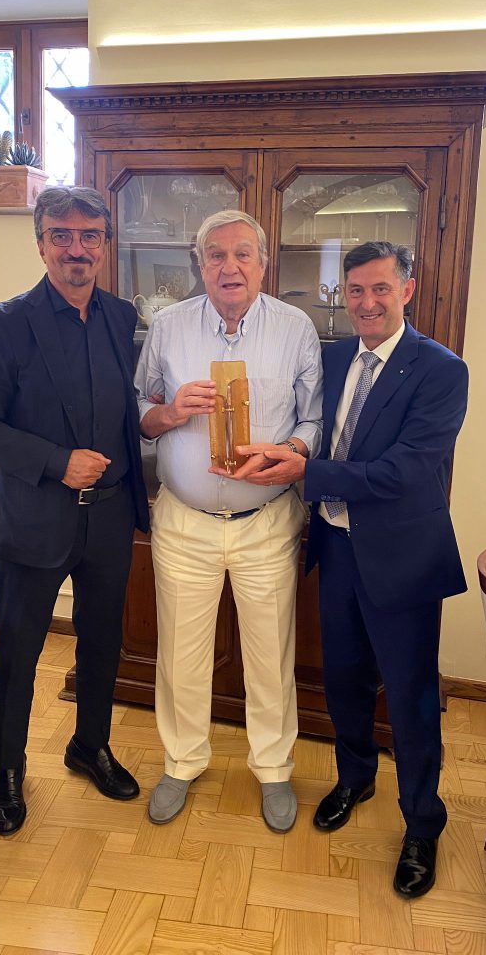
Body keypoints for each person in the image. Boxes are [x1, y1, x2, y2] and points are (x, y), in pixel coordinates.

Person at [237, 241, 468, 895]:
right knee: (343, 680)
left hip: (403, 558)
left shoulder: (441, 370)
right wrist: (276, 452)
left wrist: (307, 472)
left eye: (380, 289)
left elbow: (404, 472)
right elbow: (310, 428)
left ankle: (422, 824)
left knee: (412, 698)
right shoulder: (334, 357)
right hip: (336, 551)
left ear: (407, 290)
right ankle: (356, 777)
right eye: (356, 291)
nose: (366, 303)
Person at [0, 186, 149, 835]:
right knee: (18, 652)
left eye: (89, 236)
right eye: (61, 235)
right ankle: (8, 768)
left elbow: (128, 410)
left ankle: (90, 745)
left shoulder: (121, 318)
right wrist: (56, 461)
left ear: (105, 245)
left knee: (102, 643)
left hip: (110, 518)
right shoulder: (5, 323)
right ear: (40, 244)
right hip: (34, 519)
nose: (76, 249)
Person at [135, 210, 322, 832]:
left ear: (264, 263)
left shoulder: (296, 327)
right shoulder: (168, 326)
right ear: (199, 264)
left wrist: (290, 452)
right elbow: (138, 407)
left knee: (270, 655)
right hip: (184, 521)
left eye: (243, 253)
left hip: (265, 520)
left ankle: (273, 769)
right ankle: (182, 761)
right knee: (181, 654)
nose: (229, 266)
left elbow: (314, 419)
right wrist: (168, 412)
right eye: (215, 254)